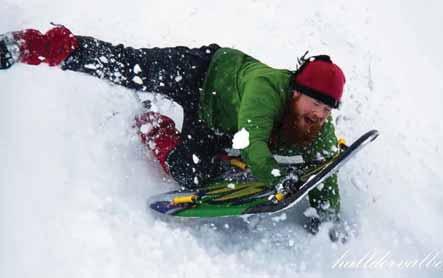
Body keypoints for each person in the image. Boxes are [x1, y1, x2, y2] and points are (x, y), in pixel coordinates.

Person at [0, 25, 346, 234]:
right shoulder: (265, 89)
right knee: (127, 66)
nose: (320, 114)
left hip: (217, 122)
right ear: (296, 91)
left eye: (327, 109)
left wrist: (327, 217)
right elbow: (254, 137)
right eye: (315, 104)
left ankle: (151, 125)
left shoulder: (317, 124)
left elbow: (326, 168)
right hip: (200, 71)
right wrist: (273, 175)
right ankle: (32, 45)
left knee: (191, 174)